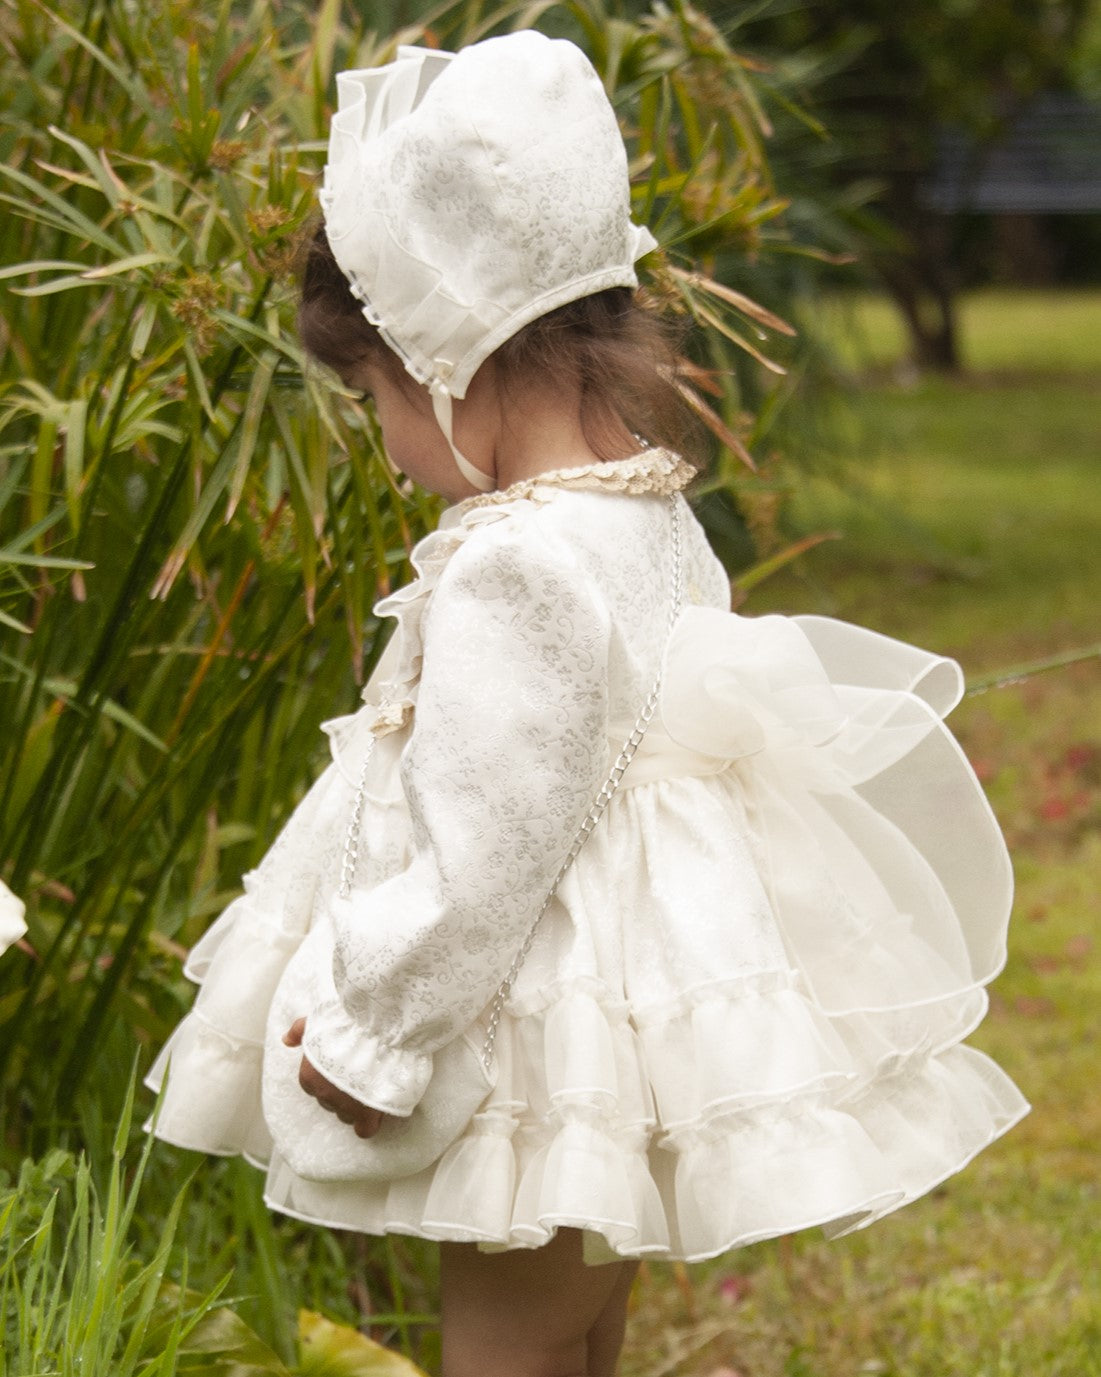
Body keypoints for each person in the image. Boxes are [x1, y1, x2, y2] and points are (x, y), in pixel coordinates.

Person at [146, 30, 1029, 1377]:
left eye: (375, 396)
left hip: (512, 1021)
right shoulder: (652, 515)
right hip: (607, 1003)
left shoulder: (514, 563)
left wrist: (371, 1032)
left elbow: (482, 848)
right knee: (573, 1308)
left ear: (443, 359)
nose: (384, 445)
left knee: (504, 1328)